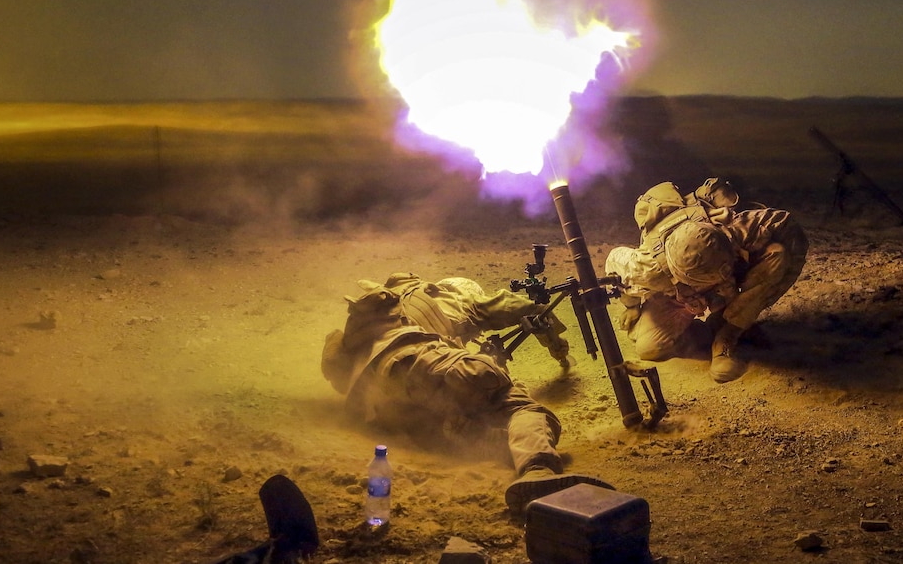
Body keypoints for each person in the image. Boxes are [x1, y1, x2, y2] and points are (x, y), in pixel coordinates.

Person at [320, 272, 612, 517]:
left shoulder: (381, 314)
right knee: (521, 407)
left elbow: (337, 369)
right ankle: (538, 470)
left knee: (447, 410)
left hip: (386, 402)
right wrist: (556, 344)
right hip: (426, 360)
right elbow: (524, 308)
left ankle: (475, 436)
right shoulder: (456, 298)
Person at [605, 178, 809, 383]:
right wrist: (631, 306)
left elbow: (792, 233)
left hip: (729, 281)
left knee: (779, 255)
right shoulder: (649, 269)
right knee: (650, 348)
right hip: (678, 294)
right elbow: (614, 261)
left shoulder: (734, 229)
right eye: (712, 278)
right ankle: (712, 327)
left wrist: (759, 299)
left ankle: (728, 335)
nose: (722, 278)